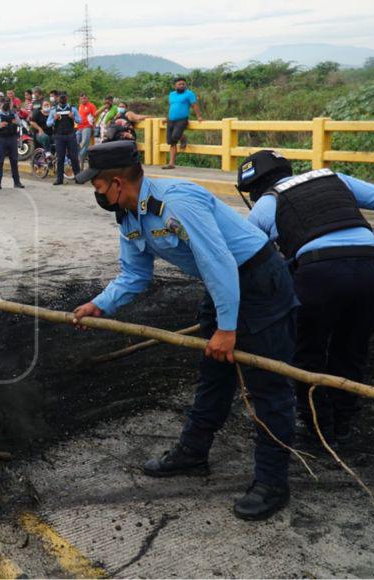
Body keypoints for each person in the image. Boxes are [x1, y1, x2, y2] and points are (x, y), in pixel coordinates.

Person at [72, 141, 298, 521]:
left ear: (114, 182)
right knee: (213, 373)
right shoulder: (129, 215)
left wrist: (227, 328)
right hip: (221, 283)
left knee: (268, 385)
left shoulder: (177, 202)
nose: (93, 191)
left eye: (94, 184)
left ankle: (272, 483)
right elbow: (135, 274)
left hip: (259, 281)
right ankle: (193, 453)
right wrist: (100, 304)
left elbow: (218, 260)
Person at [236, 150, 374, 446]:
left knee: (307, 354)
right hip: (372, 271)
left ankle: (318, 429)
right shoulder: (332, 177)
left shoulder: (265, 204)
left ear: (254, 187)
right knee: (352, 349)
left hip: (319, 277)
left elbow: (253, 259)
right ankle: (344, 424)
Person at [163, 77, 204, 169]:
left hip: (182, 119)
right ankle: (171, 163)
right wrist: (166, 118)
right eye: (179, 84)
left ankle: (183, 137)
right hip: (170, 120)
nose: (181, 85)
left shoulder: (189, 94)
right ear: (175, 86)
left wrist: (199, 116)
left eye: (183, 84)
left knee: (175, 136)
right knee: (171, 142)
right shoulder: (171, 94)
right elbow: (171, 106)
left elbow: (194, 105)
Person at [0, 98, 24, 191]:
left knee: (14, 160)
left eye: (8, 103)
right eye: (5, 103)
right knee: (0, 161)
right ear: (0, 104)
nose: (7, 105)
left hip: (12, 138)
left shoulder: (13, 113)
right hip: (1, 139)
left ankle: (17, 182)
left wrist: (17, 122)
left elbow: (20, 123)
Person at [46, 92, 81, 186]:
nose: (62, 99)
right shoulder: (54, 110)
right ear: (58, 98)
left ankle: (78, 178)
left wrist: (73, 117)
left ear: (67, 97)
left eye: (64, 97)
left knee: (74, 157)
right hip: (59, 136)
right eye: (61, 97)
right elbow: (48, 123)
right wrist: (54, 119)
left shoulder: (72, 109)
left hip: (71, 135)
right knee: (60, 158)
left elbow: (80, 120)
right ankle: (59, 179)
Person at [76, 93, 98, 164]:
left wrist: (94, 126)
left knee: (85, 143)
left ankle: (81, 160)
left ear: (87, 98)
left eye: (85, 98)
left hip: (87, 127)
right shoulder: (80, 106)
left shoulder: (91, 105)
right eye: (81, 99)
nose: (83, 100)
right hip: (79, 127)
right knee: (74, 141)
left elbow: (95, 116)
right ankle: (80, 156)